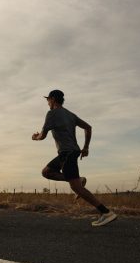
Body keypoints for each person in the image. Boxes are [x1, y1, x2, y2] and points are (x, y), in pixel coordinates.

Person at [32, 89, 117, 226]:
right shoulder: (70, 115)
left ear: (53, 99)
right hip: (70, 152)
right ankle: (81, 180)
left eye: (48, 99)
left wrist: (35, 137)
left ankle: (106, 213)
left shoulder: (51, 114)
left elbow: (42, 136)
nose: (47, 102)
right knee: (46, 172)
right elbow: (88, 127)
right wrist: (86, 147)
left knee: (77, 188)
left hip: (67, 153)